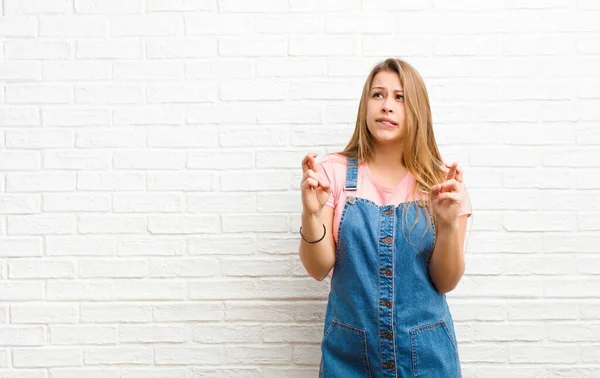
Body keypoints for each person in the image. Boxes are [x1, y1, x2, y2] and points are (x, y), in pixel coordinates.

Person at [298, 58, 472, 377]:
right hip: (348, 358)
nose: (386, 106)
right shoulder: (331, 174)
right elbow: (318, 268)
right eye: (377, 95)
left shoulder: (442, 183)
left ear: (417, 109)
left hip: (427, 359)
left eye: (400, 97)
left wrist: (446, 223)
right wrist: (311, 214)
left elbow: (446, 280)